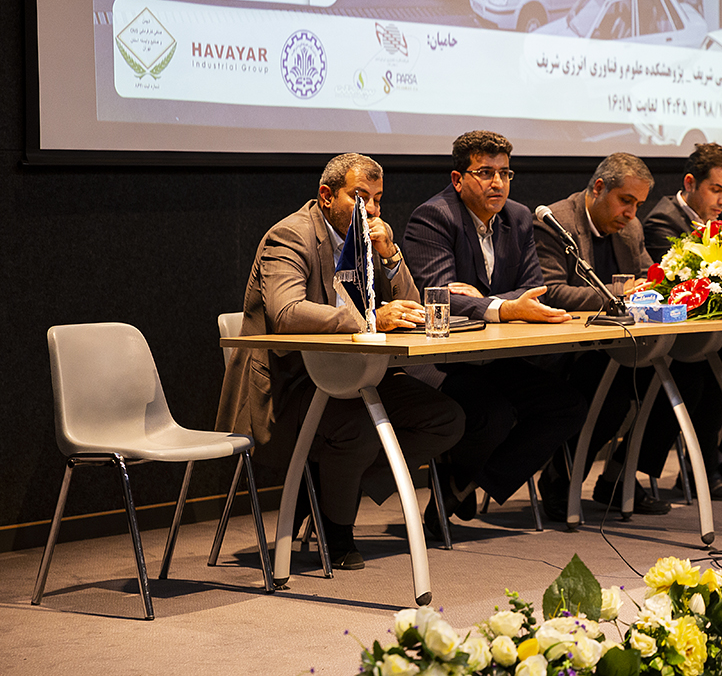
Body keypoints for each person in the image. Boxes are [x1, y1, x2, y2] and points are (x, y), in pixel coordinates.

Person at [216, 153, 465, 570]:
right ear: (327, 195)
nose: (373, 210)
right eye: (360, 197)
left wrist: (390, 255)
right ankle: (336, 526)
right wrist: (371, 319)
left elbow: (411, 308)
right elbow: (286, 313)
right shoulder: (289, 236)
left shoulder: (366, 239)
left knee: (445, 419)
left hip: (352, 378)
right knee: (359, 427)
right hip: (288, 387)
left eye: (379, 199)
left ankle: (322, 487)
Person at [403, 130, 586, 528]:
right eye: (485, 173)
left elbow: (533, 287)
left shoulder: (517, 217)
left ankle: (465, 483)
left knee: (566, 404)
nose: (498, 183)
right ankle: (458, 482)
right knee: (494, 414)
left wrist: (489, 302)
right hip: (441, 360)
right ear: (458, 179)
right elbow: (438, 298)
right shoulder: (433, 217)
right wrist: (504, 306)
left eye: (505, 173)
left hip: (494, 357)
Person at [533, 153, 675, 515]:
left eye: (638, 204)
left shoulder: (631, 229)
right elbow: (552, 293)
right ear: (598, 188)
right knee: (610, 395)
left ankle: (619, 477)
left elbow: (650, 280)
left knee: (679, 379)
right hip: (564, 350)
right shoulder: (556, 223)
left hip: (616, 346)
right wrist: (620, 294)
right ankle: (560, 477)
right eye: (625, 200)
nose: (631, 213)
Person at [642, 143, 722, 500]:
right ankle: (700, 468)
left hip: (712, 332)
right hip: (674, 337)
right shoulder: (662, 221)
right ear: (690, 183)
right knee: (706, 376)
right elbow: (679, 285)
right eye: (716, 189)